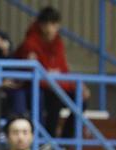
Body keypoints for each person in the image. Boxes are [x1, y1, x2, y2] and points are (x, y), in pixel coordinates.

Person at [14, 6, 87, 139]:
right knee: (55, 98)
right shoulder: (29, 44)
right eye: (45, 24)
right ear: (40, 25)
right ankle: (48, 139)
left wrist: (77, 86)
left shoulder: (58, 43)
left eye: (53, 24)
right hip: (34, 86)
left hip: (54, 85)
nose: (49, 28)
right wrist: (52, 76)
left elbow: (63, 69)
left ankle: (66, 140)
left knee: (81, 99)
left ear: (58, 25)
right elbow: (35, 71)